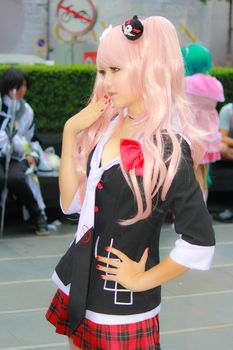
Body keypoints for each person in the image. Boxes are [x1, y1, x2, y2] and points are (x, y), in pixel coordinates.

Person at [46, 16, 215, 349]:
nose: (106, 82)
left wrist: (143, 279)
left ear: (147, 67)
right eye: (103, 71)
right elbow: (71, 204)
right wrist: (70, 132)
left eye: (116, 70)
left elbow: (200, 241)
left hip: (122, 307)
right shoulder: (107, 125)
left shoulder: (167, 145)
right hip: (78, 282)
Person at [0, 67, 50, 235]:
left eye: (24, 85)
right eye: (18, 86)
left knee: (16, 177)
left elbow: (31, 138)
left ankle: (37, 215)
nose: (22, 90)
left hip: (16, 157)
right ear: (8, 87)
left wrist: (32, 154)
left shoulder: (26, 110)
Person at [181, 43, 225, 202]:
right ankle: (201, 214)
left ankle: (192, 217)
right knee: (203, 177)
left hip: (190, 134)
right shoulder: (216, 84)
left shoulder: (187, 82)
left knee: (190, 179)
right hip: (209, 134)